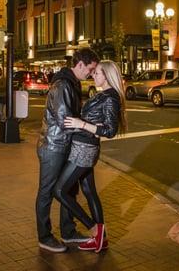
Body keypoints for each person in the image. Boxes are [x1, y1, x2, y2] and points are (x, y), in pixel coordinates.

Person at [54, 60, 126, 253]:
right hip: (83, 147)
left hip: (84, 151)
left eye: (98, 73)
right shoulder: (102, 94)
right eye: (94, 72)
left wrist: (81, 124)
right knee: (89, 192)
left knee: (59, 190)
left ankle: (95, 229)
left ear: (108, 76)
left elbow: (110, 130)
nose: (94, 75)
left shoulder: (111, 97)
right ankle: (102, 239)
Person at [35, 48, 99, 253]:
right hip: (53, 146)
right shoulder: (63, 84)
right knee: (47, 192)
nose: (91, 73)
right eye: (90, 69)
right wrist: (88, 129)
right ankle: (44, 237)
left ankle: (68, 231)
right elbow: (65, 121)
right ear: (80, 64)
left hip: (62, 144)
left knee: (68, 190)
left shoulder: (71, 82)